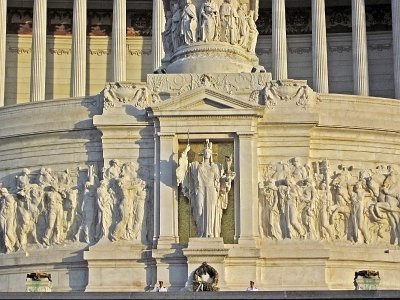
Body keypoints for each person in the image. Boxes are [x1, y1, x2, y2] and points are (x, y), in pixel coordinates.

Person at [177, 139, 234, 238]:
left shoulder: (216, 166)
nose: (207, 153)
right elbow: (185, 171)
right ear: (202, 154)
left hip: (212, 190)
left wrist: (228, 169)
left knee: (211, 210)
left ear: (211, 154)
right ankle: (201, 232)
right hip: (200, 190)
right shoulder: (195, 166)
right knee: (199, 210)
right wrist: (185, 153)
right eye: (206, 151)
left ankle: (210, 232)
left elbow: (222, 179)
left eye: (209, 151)